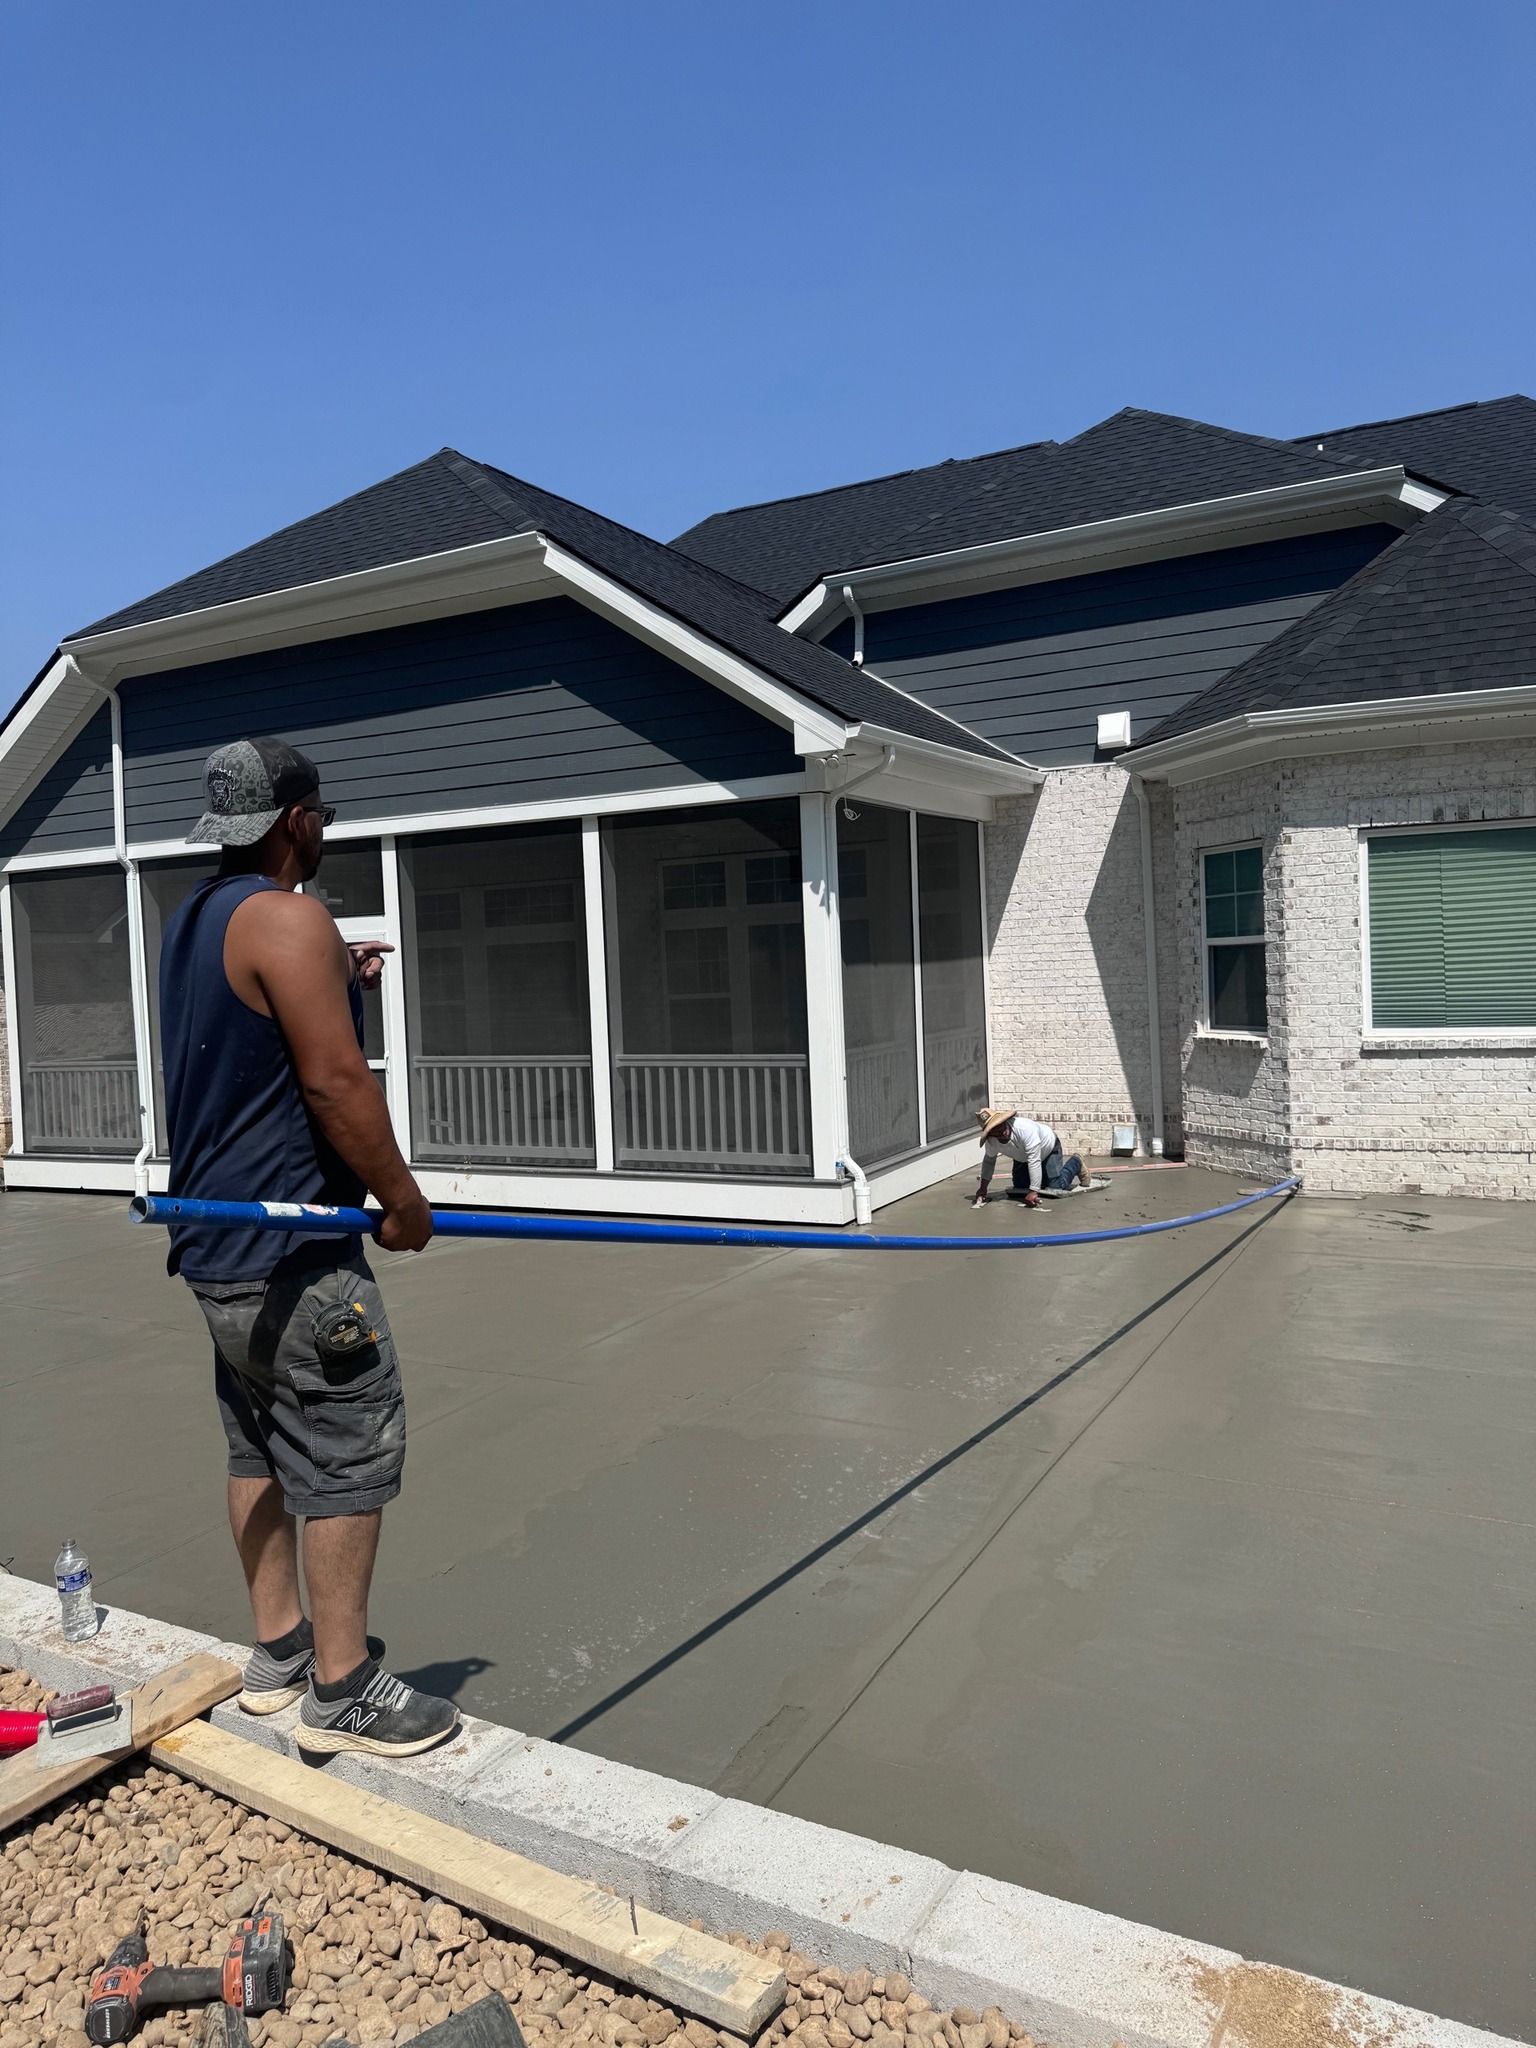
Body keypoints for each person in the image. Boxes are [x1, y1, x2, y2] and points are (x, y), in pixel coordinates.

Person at [160, 737, 458, 1759]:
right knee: (345, 1448)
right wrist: (403, 1201)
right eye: (321, 817)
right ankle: (343, 1687)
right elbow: (334, 1082)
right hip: (298, 1254)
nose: (324, 831)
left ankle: (280, 1647)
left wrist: (342, 976)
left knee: (258, 1444)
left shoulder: (199, 919)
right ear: (296, 820)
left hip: (215, 1247)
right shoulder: (292, 919)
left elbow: (255, 1034)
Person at [971, 1107, 1106, 1208]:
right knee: (1020, 1188)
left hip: (1048, 1148)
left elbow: (1034, 1161)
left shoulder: (1024, 1129)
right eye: (994, 1129)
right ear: (990, 1134)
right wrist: (983, 1189)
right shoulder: (991, 1142)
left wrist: (1034, 1190)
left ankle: (1076, 1162)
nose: (1000, 1130)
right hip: (1022, 1157)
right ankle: (1042, 1179)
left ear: (1004, 1120)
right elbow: (989, 1162)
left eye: (1000, 1124)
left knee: (1055, 1187)